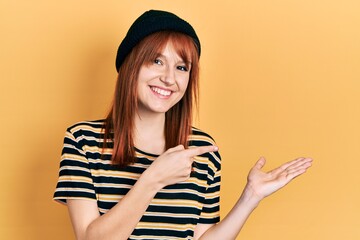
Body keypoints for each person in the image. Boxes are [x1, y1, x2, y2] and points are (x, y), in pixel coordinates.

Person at [53, 9, 313, 240]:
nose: (168, 78)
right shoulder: (83, 141)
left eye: (181, 67)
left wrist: (250, 198)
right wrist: (152, 179)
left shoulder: (201, 150)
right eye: (156, 61)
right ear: (130, 66)